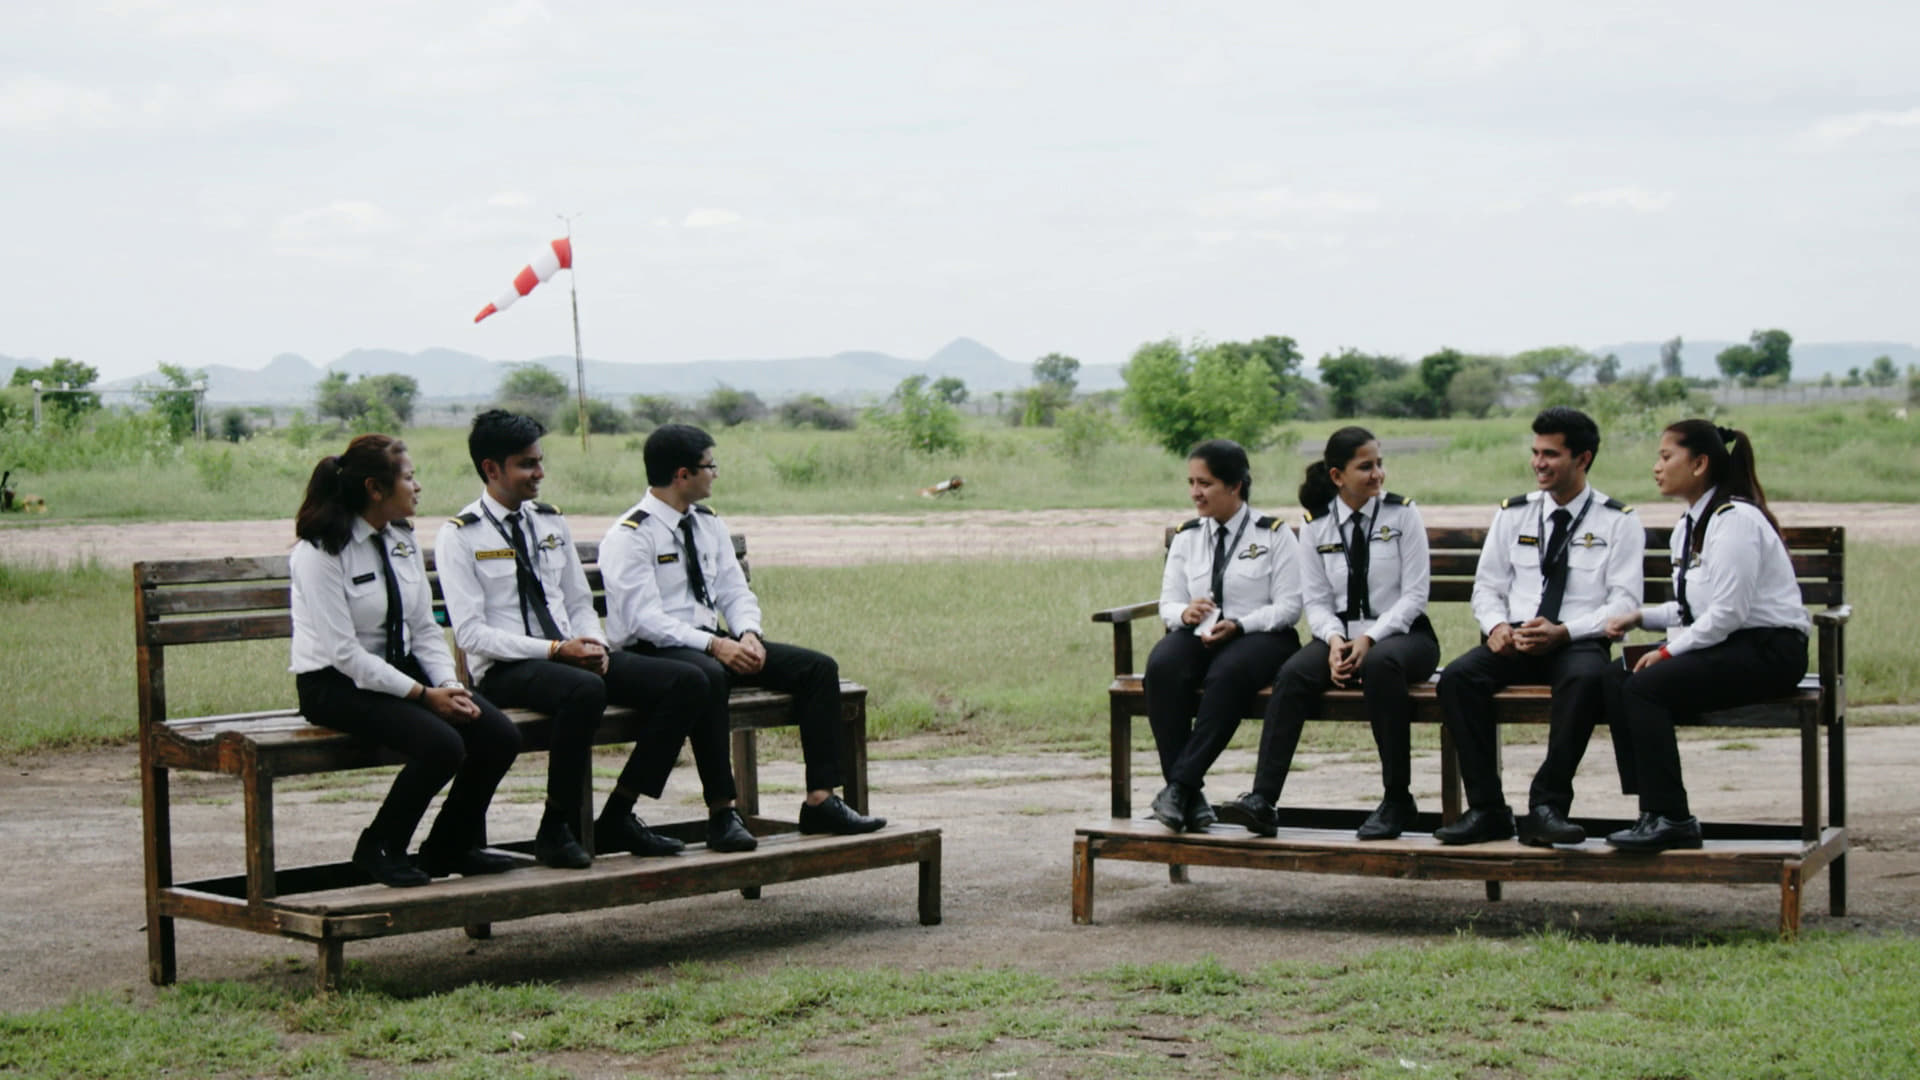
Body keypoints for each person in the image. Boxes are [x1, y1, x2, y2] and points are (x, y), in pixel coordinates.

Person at [436, 410, 703, 869]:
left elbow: (579, 600)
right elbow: (471, 633)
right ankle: (556, 825)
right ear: (491, 469)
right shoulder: (461, 535)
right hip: (507, 668)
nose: (539, 473)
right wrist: (557, 651)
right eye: (526, 464)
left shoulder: (549, 521)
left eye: (540, 461)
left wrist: (593, 643)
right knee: (584, 690)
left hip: (571, 655)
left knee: (688, 681)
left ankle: (619, 812)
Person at [599, 423, 885, 846]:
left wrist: (748, 633)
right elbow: (644, 620)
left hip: (711, 644)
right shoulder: (632, 534)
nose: (714, 473)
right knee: (708, 677)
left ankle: (820, 801)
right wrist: (716, 645)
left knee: (817, 669)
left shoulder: (708, 524)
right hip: (652, 653)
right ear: (682, 475)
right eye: (709, 466)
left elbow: (734, 590)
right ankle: (723, 813)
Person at [289, 434, 521, 888]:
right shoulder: (320, 552)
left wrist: (447, 686)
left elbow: (425, 627)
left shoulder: (401, 541)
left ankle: (450, 845)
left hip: (401, 672)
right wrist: (423, 695)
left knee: (498, 734)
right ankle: (380, 846)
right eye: (409, 478)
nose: (418, 487)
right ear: (376, 489)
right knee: (442, 745)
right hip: (333, 684)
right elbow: (345, 654)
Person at [1433, 407, 1644, 846]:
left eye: (1551, 454)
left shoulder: (1618, 521)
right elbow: (1486, 587)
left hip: (1576, 640)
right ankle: (1488, 809)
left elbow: (1624, 603)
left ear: (1582, 459)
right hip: (1516, 639)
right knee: (1457, 679)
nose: (1538, 463)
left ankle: (1547, 807)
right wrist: (1496, 627)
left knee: (1587, 678)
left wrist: (1565, 632)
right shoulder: (1513, 514)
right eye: (1535, 452)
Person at [1599, 421, 1810, 851]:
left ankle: (1672, 818)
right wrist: (1640, 617)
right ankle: (1651, 809)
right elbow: (1691, 609)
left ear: (1699, 464)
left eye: (1665, 456)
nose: (1656, 466)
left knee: (1645, 688)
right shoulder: (1689, 525)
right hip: (1731, 644)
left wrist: (1669, 653)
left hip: (1770, 649)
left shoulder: (1735, 521)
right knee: (1613, 677)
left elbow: (1728, 614)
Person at [1219, 427, 1438, 841]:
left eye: (1379, 463)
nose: (1378, 474)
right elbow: (1316, 601)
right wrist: (1336, 641)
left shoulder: (1403, 514)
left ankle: (1397, 799)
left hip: (1404, 637)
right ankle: (1262, 800)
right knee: (1293, 674)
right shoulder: (1317, 527)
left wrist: (1370, 639)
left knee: (1381, 665)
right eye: (1366, 466)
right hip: (1340, 637)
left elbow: (1414, 597)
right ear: (1338, 476)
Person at [1143, 438, 1303, 833]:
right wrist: (1184, 612)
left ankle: (1179, 785)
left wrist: (1241, 624)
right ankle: (1190, 799)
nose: (1196, 492)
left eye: (1206, 483)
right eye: (1191, 482)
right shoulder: (1187, 535)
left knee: (1227, 675)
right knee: (1162, 666)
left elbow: (1289, 607)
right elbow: (1168, 601)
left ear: (1236, 486)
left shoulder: (1273, 534)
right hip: (1201, 631)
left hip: (1260, 635)